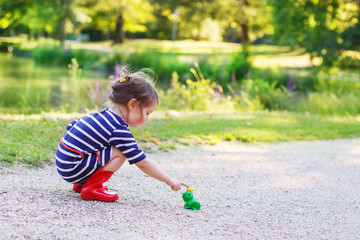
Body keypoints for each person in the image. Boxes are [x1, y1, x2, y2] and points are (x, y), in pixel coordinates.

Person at [55, 66, 188, 202]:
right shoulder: (118, 129)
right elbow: (142, 162)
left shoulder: (101, 115)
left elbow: (71, 126)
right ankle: (92, 188)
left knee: (101, 148)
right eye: (147, 113)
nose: (147, 119)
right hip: (73, 168)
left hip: (63, 162)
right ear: (132, 105)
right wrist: (168, 179)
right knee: (120, 152)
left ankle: (82, 184)